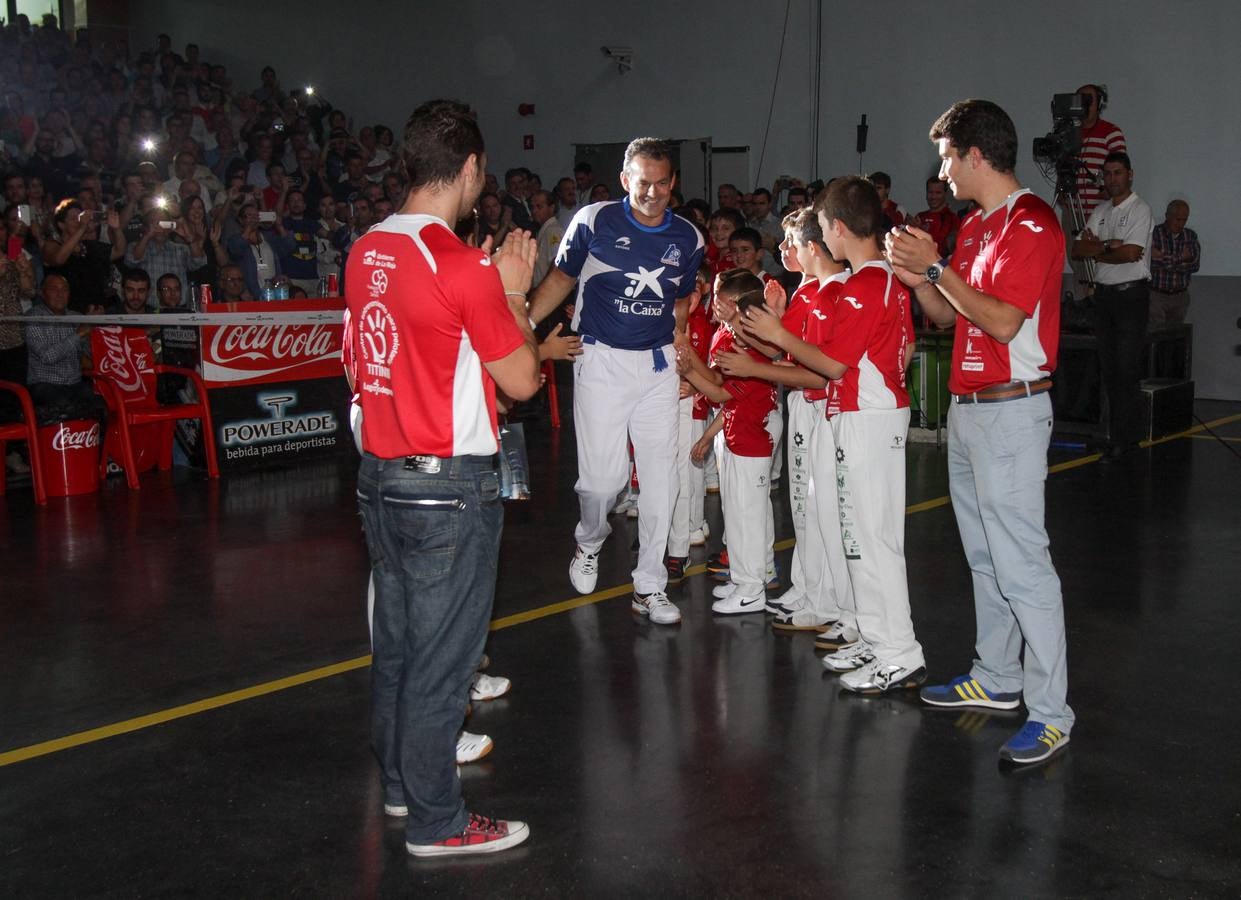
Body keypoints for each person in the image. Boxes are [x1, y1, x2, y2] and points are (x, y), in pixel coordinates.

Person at [346, 98, 539, 857]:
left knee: (396, 648)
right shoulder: (461, 265)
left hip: (379, 478)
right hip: (447, 488)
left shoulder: (365, 248)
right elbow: (521, 379)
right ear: (467, 169)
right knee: (442, 663)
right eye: (480, 174)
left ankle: (400, 786)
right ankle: (437, 820)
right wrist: (515, 287)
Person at [886, 98, 1073, 765]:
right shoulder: (972, 230)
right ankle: (996, 678)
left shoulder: (1031, 223)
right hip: (969, 411)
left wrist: (936, 269)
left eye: (944, 157)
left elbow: (1000, 322)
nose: (940, 172)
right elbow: (947, 316)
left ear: (973, 154)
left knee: (1023, 566)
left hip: (1011, 410)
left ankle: (1051, 713)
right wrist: (918, 279)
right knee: (985, 560)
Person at [746, 176, 922, 695]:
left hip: (869, 417)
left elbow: (833, 364)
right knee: (860, 535)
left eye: (822, 227)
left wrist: (779, 336)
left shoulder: (868, 283)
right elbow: (897, 350)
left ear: (839, 229)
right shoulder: (878, 279)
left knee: (871, 538)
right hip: (864, 414)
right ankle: (875, 636)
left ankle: (899, 652)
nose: (821, 237)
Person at [527, 137, 705, 624]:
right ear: (626, 179)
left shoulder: (689, 238)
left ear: (674, 183)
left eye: (662, 183)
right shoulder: (593, 221)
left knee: (661, 480)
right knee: (603, 485)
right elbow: (562, 278)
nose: (652, 192)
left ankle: (649, 585)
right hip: (601, 362)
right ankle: (589, 539)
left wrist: (683, 345)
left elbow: (682, 300)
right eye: (642, 182)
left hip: (657, 366)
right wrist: (522, 325)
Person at [679, 271, 777, 614]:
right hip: (736, 429)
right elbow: (727, 397)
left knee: (748, 511)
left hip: (753, 432)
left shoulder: (746, 343)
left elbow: (721, 390)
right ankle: (743, 577)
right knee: (734, 510)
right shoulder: (732, 335)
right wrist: (711, 433)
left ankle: (753, 586)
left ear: (733, 303)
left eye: (718, 296)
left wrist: (690, 373)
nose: (712, 301)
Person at [1071, 151, 1153, 459]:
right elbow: (1078, 248)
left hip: (1130, 295)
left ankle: (1128, 438)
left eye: (1118, 173)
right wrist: (1107, 246)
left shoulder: (1139, 209)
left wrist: (1099, 249)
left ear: (1129, 174)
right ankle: (1113, 433)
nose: (1112, 179)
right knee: (1108, 367)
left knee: (1126, 368)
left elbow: (1131, 253)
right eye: (1107, 174)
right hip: (1104, 295)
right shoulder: (1101, 210)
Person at [1148, 200, 1200, 328]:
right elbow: (1151, 262)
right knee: (1155, 336)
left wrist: (1165, 258)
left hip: (1180, 296)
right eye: (1178, 219)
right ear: (1167, 216)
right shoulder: (1153, 234)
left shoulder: (1190, 236)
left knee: (1175, 338)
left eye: (1184, 220)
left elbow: (1194, 265)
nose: (1181, 224)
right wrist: (1181, 258)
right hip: (1156, 296)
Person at [913, 176, 960, 257]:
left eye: (938, 193)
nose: (933, 197)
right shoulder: (920, 217)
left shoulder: (953, 219)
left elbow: (951, 249)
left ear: (945, 193)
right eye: (930, 192)